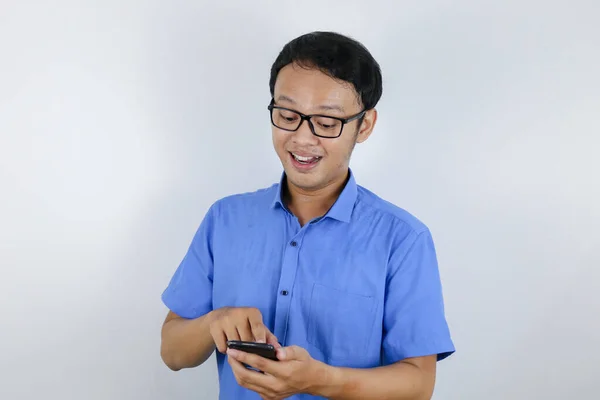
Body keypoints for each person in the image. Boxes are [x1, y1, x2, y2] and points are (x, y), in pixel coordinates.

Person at [160, 31, 455, 400]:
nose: (302, 138)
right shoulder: (225, 219)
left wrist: (321, 380)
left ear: (364, 125)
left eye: (327, 123)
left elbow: (418, 385)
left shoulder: (403, 240)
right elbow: (171, 352)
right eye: (287, 115)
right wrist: (213, 323)